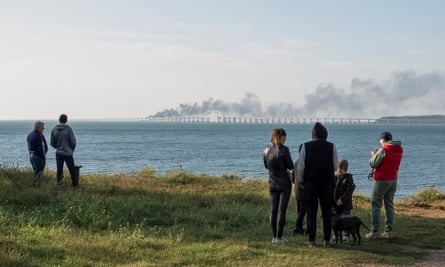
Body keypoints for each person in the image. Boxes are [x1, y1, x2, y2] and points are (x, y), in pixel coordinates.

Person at [296, 122, 339, 248]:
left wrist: (302, 181)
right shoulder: (332, 146)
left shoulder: (306, 146)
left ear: (313, 134)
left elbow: (300, 167)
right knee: (327, 212)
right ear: (325, 134)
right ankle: (326, 240)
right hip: (327, 184)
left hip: (310, 184)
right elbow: (336, 166)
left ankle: (311, 240)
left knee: (311, 212)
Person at [365, 131, 403, 239]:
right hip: (393, 179)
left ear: (383, 140)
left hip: (382, 180)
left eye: (380, 140)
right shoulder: (398, 150)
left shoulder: (384, 150)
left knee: (375, 204)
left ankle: (374, 231)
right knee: (389, 205)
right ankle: (388, 231)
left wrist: (374, 155)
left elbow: (373, 163)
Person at [263, 128, 294, 243]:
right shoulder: (284, 150)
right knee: (282, 210)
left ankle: (273, 237)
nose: (285, 140)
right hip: (284, 183)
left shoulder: (266, 149)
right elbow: (290, 166)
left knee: (273, 210)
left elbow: (266, 165)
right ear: (280, 137)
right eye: (284, 138)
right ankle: (279, 237)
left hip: (272, 182)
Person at [50, 114, 78, 186]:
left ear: (59, 120)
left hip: (58, 153)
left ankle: (59, 184)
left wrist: (58, 147)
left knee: (59, 169)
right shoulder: (68, 129)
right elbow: (73, 141)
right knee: (72, 169)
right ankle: (74, 185)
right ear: (66, 120)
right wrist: (71, 149)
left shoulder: (54, 129)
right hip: (68, 152)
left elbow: (52, 143)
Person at [332, 159, 356, 241]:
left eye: (341, 168)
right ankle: (336, 235)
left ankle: (346, 235)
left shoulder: (349, 178)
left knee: (346, 219)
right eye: (338, 168)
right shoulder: (335, 178)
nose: (339, 170)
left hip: (345, 204)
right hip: (335, 204)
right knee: (336, 220)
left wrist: (342, 199)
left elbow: (349, 191)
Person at [293, 144, 307, 236]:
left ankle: (299, 229)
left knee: (300, 211)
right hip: (304, 191)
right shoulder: (305, 163)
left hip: (297, 190)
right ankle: (298, 230)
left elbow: (293, 177)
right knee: (303, 211)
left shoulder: (296, 162)